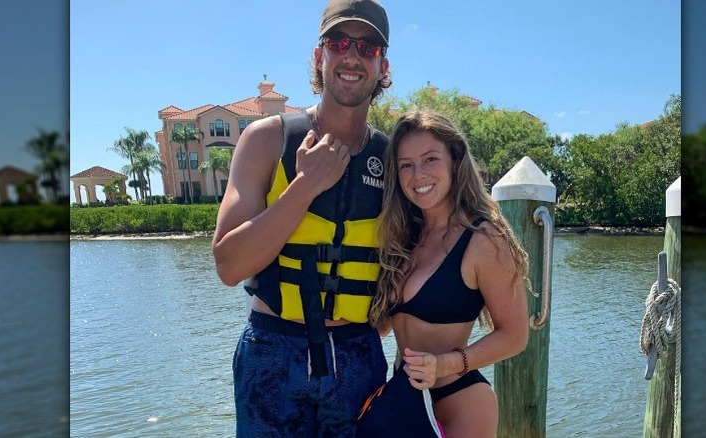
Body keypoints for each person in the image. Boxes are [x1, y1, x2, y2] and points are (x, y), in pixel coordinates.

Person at [211, 0, 392, 436]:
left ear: (382, 66)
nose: (351, 55)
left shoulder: (393, 159)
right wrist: (306, 185)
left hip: (358, 354)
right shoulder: (266, 140)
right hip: (273, 352)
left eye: (367, 48)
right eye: (338, 42)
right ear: (319, 56)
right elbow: (229, 266)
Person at [357, 110, 531, 437]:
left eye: (430, 159)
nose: (418, 174)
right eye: (406, 164)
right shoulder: (403, 237)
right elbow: (383, 326)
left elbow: (515, 335)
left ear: (455, 160)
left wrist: (444, 365)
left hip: (460, 401)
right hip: (402, 398)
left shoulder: (484, 239)